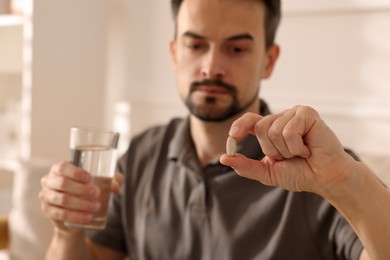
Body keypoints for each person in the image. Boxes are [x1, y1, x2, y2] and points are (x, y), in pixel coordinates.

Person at [38, 0, 390, 259]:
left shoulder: (319, 170)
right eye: (195, 45)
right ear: (175, 53)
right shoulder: (141, 156)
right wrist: (66, 231)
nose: (211, 66)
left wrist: (347, 183)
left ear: (268, 60)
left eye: (236, 48)